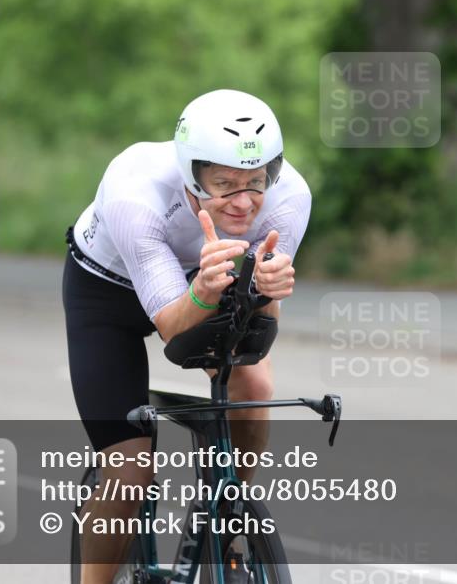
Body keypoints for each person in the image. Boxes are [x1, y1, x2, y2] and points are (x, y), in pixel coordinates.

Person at [62, 89, 310, 584]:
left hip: (206, 276)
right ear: (190, 175)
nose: (244, 202)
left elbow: (257, 335)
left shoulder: (290, 198)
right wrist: (201, 292)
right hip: (108, 292)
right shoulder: (136, 190)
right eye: (224, 184)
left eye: (256, 182)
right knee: (129, 472)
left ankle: (225, 527)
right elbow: (175, 332)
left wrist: (267, 293)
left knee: (255, 387)